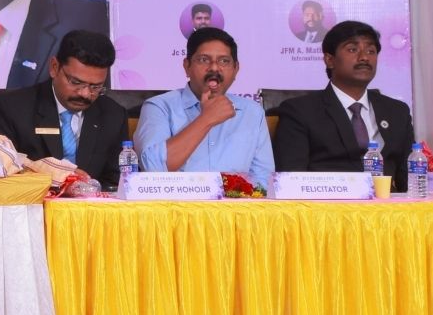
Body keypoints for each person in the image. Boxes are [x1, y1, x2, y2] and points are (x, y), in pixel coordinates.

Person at [273, 19, 414, 190]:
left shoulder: (397, 112)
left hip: (387, 204)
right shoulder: (300, 111)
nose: (364, 57)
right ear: (329, 60)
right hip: (328, 204)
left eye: (371, 51)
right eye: (352, 49)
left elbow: (409, 179)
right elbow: (291, 180)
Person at [0, 29, 127, 187]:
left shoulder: (113, 115)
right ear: (54, 67)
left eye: (96, 87)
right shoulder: (11, 107)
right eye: (76, 82)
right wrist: (52, 174)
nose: (85, 94)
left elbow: (117, 182)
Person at [134, 28, 274, 190]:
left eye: (224, 61)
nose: (214, 68)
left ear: (236, 69)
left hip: (235, 204)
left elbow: (264, 181)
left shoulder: (252, 112)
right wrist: (206, 119)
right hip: (177, 204)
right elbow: (152, 169)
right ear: (187, 66)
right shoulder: (159, 107)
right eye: (203, 60)